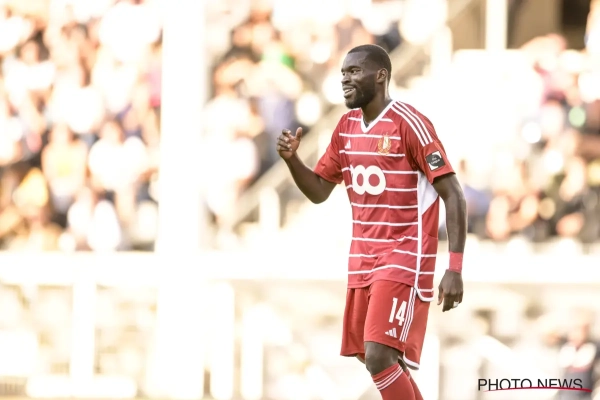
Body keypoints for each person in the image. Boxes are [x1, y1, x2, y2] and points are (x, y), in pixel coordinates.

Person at [276, 44, 467, 399]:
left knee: (379, 356)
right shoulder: (346, 127)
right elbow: (319, 191)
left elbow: (453, 193)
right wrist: (292, 160)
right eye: (343, 73)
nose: (345, 79)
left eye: (354, 71)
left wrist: (454, 268)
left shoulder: (410, 124)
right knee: (376, 358)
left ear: (381, 76)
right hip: (362, 259)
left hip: (404, 257)